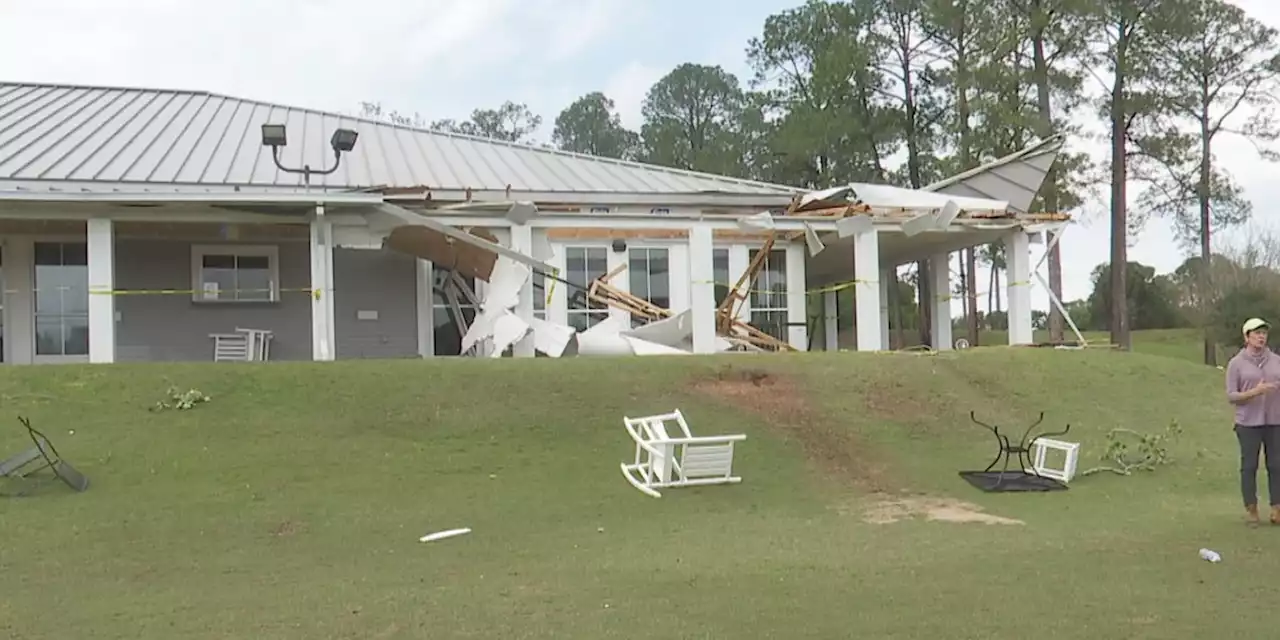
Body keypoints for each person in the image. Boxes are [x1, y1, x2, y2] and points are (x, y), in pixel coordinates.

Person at [1225, 317, 1280, 526]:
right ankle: (1252, 510)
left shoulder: (1276, 360)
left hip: (1275, 421)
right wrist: (1255, 392)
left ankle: (1277, 509)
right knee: (1249, 466)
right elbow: (1231, 396)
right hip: (1248, 423)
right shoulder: (1236, 364)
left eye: (1264, 333)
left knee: (1276, 465)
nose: (1261, 337)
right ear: (1247, 337)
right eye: (1256, 333)